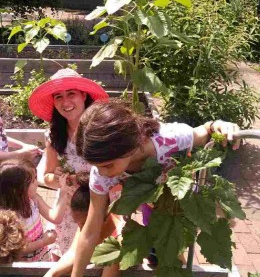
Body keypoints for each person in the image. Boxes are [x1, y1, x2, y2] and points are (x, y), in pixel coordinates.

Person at [70, 101, 241, 276]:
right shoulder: (101, 173)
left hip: (186, 201)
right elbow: (90, 231)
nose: (102, 173)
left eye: (107, 165)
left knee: (211, 227)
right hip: (155, 206)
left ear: (129, 147)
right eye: (96, 166)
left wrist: (218, 125)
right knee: (163, 255)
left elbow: (204, 132)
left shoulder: (169, 140)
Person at [28, 68, 109, 259]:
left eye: (71, 94)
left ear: (83, 95)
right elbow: (47, 177)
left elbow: (114, 172)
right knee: (62, 259)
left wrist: (76, 178)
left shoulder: (102, 130)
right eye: (58, 96)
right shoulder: (54, 135)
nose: (65, 102)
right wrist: (60, 180)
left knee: (98, 259)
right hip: (67, 209)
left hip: (100, 205)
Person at [44, 185, 122, 277]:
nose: (81, 229)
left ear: (102, 213)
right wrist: (51, 274)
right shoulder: (87, 223)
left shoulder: (118, 239)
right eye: (77, 223)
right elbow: (74, 253)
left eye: (84, 223)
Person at [0, 158, 68, 261]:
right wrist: (43, 242)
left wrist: (63, 193)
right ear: (16, 190)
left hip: (42, 258)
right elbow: (16, 249)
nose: (37, 183)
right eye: (32, 181)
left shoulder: (34, 199)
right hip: (24, 268)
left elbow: (55, 217)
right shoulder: (7, 218)